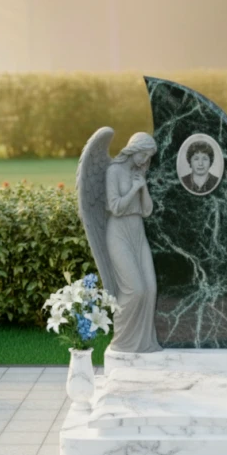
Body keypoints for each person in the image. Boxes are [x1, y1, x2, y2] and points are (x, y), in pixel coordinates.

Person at [104, 132, 162, 353]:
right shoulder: (113, 171)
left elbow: (147, 211)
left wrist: (143, 186)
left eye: (149, 157)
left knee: (151, 288)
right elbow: (116, 207)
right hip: (118, 233)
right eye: (144, 155)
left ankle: (144, 342)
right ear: (134, 149)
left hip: (138, 231)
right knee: (135, 289)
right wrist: (134, 189)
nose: (145, 160)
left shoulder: (139, 172)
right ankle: (122, 341)